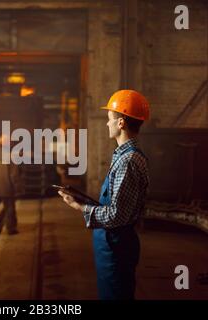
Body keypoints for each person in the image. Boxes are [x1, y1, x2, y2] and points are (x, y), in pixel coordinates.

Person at [58, 89, 150, 300]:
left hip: (115, 244)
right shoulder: (127, 156)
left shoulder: (127, 161)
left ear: (121, 123)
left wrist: (79, 207)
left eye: (110, 119)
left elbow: (117, 215)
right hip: (114, 241)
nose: (106, 124)